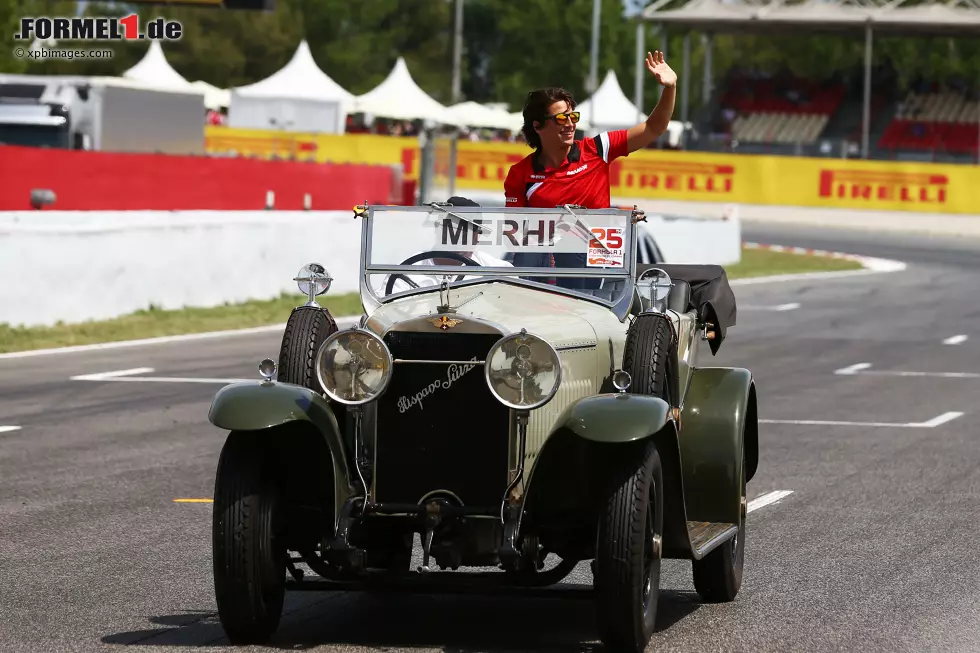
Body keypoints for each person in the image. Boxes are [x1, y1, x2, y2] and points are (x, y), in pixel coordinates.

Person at [503, 51, 677, 289]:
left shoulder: (598, 149)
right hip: (542, 273)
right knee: (531, 256)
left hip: (593, 268)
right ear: (538, 126)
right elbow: (514, 235)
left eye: (573, 116)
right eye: (561, 119)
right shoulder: (520, 173)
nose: (571, 124)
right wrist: (560, 229)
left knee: (574, 252)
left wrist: (670, 88)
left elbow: (654, 127)